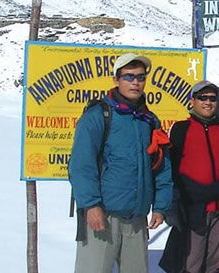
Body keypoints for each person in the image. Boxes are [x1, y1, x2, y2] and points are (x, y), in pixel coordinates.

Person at [69, 53, 173, 273]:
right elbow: (81, 165)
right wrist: (91, 205)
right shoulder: (98, 115)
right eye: (128, 76)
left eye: (140, 77)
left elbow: (161, 167)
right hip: (103, 215)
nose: (135, 82)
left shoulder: (149, 120)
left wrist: (160, 206)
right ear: (116, 80)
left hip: (137, 219)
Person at [159, 80, 219, 273]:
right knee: (191, 262)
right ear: (192, 101)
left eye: (212, 98)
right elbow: (170, 169)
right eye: (202, 98)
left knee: (216, 262)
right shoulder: (181, 129)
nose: (208, 102)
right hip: (192, 210)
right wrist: (173, 203)